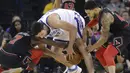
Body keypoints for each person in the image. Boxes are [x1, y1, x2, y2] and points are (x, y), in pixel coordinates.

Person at [37, 8, 94, 73]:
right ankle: (73, 68)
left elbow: (73, 29)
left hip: (72, 20)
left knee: (82, 48)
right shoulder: (37, 33)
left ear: (42, 29)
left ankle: (92, 71)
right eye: (40, 36)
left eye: (42, 34)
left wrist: (70, 47)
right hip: (61, 28)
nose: (42, 37)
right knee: (55, 53)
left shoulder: (52, 21)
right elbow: (43, 49)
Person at [0, 22, 67, 73]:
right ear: (39, 31)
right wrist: (71, 44)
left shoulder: (21, 33)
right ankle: (28, 70)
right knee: (40, 52)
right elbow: (58, 44)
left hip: (2, 55)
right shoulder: (38, 39)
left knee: (24, 53)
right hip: (11, 60)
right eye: (44, 28)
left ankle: (3, 68)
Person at [84, 1, 130, 73]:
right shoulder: (99, 13)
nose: (88, 15)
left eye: (89, 13)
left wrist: (92, 47)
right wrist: (88, 27)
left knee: (108, 54)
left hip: (125, 34)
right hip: (116, 34)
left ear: (95, 9)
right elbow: (95, 20)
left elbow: (104, 38)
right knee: (99, 54)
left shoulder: (106, 17)